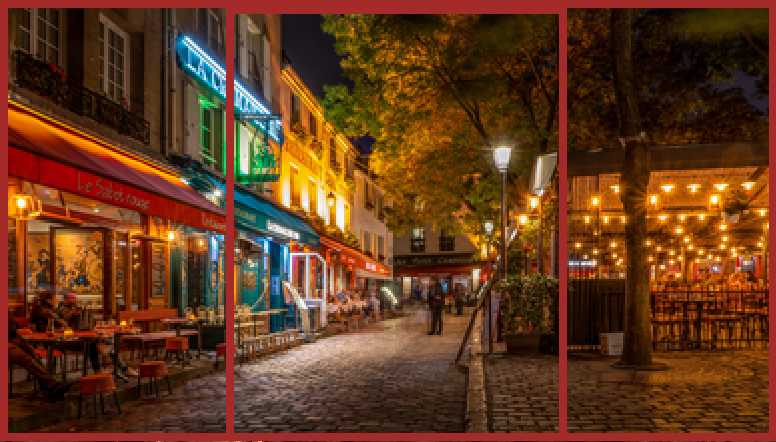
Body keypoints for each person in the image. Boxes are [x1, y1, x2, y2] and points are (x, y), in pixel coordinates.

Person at [8, 316, 74, 402]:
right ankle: (52, 385)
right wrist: (16, 332)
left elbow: (12, 327)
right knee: (25, 358)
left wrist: (17, 334)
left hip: (14, 340)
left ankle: (49, 388)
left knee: (34, 354)